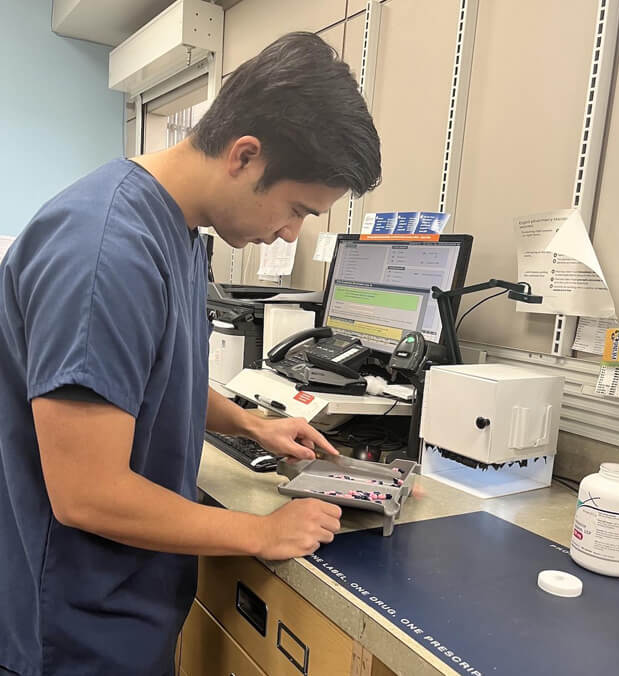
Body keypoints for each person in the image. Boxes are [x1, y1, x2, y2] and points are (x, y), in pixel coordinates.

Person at [0, 32, 381, 676]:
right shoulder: (107, 251)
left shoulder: (175, 230)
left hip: (124, 606)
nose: (291, 232)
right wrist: (262, 531)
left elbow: (148, 374)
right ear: (245, 155)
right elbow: (86, 493)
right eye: (296, 208)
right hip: (67, 630)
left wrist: (251, 423)